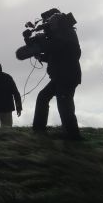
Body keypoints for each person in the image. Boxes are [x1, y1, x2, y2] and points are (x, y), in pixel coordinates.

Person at [30, 9, 82, 139]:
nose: (47, 25)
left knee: (64, 104)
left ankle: (73, 135)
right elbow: (56, 53)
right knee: (45, 98)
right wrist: (41, 57)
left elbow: (58, 47)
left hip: (66, 75)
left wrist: (42, 41)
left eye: (49, 22)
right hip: (62, 75)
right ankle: (39, 129)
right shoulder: (64, 34)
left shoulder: (65, 34)